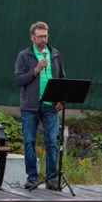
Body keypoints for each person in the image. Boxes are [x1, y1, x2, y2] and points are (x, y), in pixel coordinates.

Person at [13, 21, 64, 190]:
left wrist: (61, 99)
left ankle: (51, 179)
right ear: (32, 37)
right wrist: (36, 69)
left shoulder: (55, 54)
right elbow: (18, 80)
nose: (43, 39)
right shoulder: (24, 55)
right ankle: (32, 177)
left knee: (52, 142)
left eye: (45, 36)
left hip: (51, 106)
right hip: (30, 106)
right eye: (40, 36)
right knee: (29, 142)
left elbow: (62, 78)